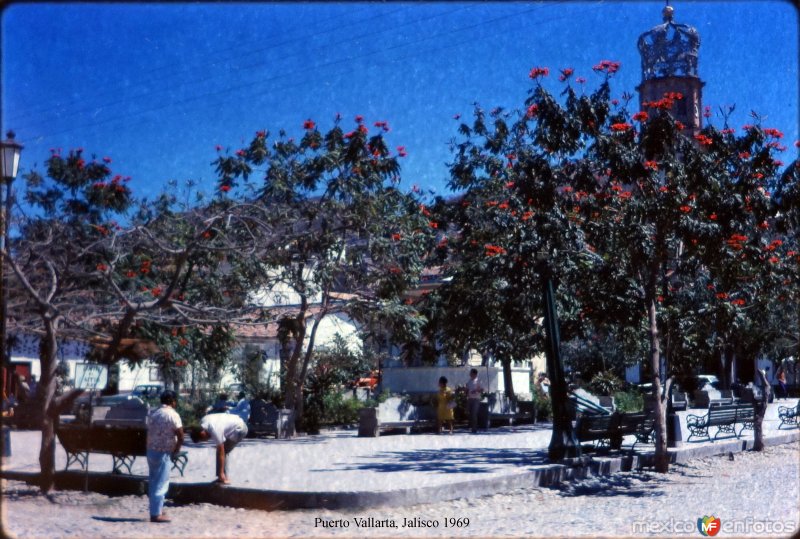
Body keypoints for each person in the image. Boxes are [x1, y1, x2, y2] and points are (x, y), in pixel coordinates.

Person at [146, 390, 183, 523]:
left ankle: (157, 509)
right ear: (172, 401)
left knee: (154, 481)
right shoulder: (173, 415)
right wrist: (176, 450)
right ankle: (156, 514)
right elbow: (181, 435)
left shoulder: (153, 413)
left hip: (151, 450)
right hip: (164, 452)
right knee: (161, 483)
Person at [191, 412, 248, 484]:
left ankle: (223, 477)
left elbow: (221, 451)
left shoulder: (215, 430)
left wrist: (220, 472)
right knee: (220, 450)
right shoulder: (202, 423)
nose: (206, 440)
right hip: (234, 422)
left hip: (240, 428)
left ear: (203, 433)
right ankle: (221, 476)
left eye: (203, 439)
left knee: (223, 451)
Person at [466, 368, 483, 433]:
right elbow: (467, 389)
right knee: (470, 413)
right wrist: (465, 390)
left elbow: (481, 389)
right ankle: (471, 426)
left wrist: (475, 390)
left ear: (474, 374)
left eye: (471, 373)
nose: (470, 374)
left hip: (476, 399)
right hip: (470, 398)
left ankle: (474, 428)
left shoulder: (478, 381)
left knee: (474, 414)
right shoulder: (469, 380)